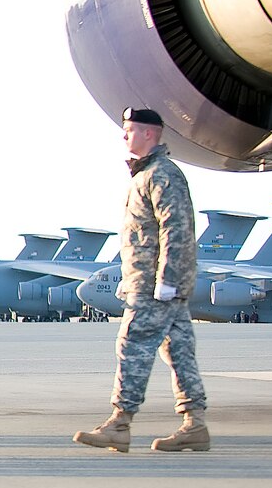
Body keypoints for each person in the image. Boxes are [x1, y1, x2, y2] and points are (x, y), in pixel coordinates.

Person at [74, 107, 208, 452]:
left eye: (129, 130)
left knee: (133, 344)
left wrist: (168, 279)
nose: (124, 135)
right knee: (179, 351)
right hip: (146, 280)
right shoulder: (144, 176)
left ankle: (120, 423)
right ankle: (195, 424)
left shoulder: (162, 174)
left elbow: (175, 229)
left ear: (149, 134)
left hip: (155, 286)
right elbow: (141, 235)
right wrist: (126, 275)